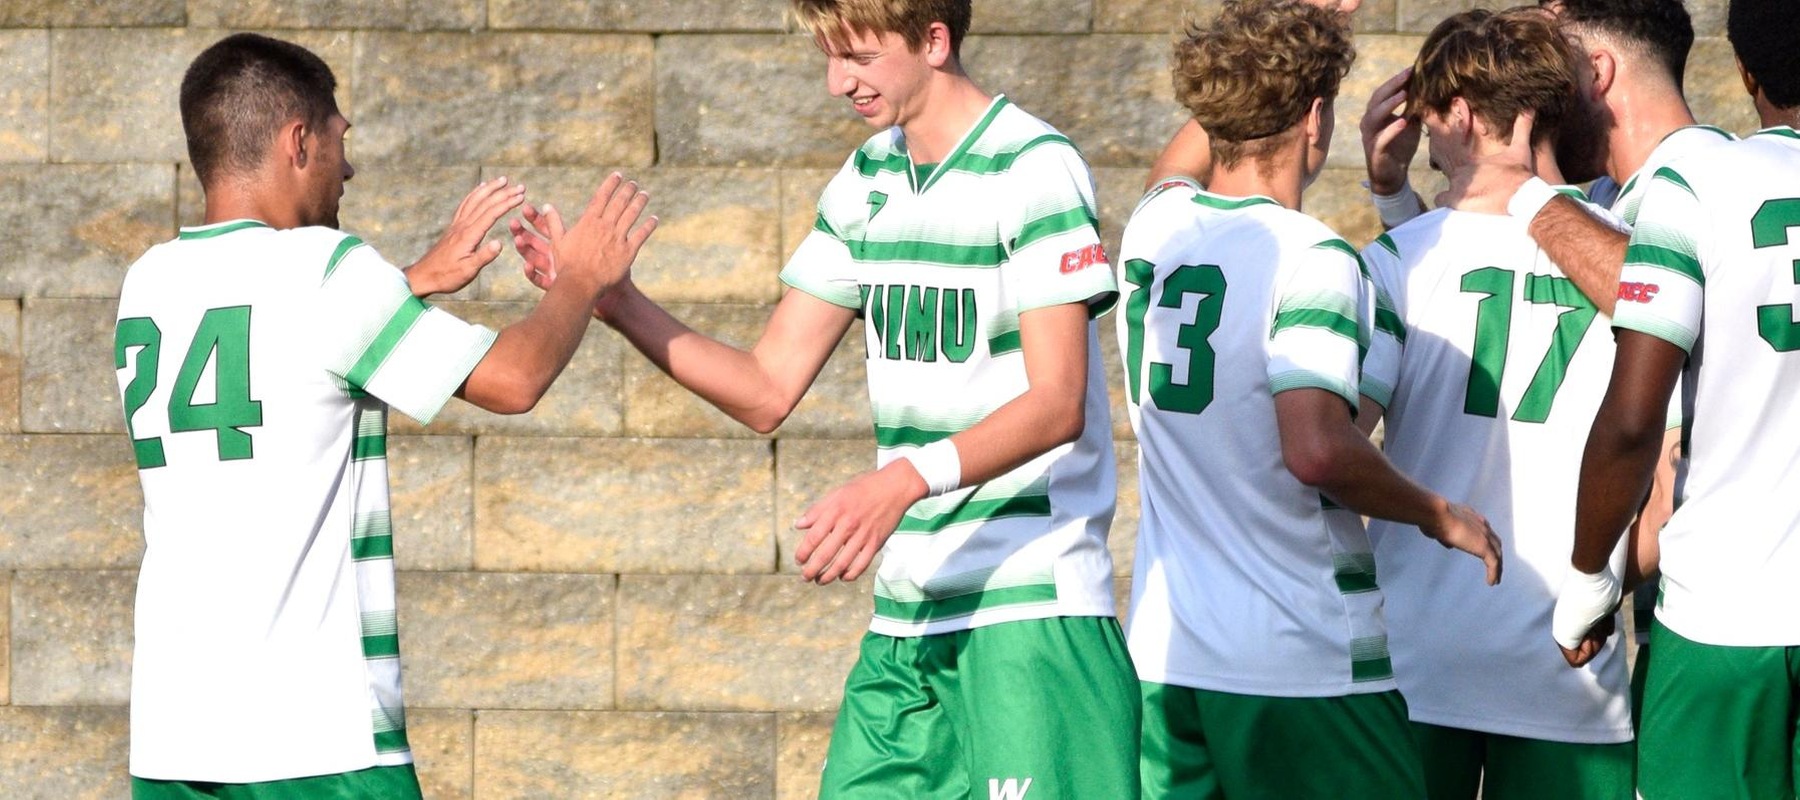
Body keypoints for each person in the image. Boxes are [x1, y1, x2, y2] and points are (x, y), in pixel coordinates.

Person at [514, 1, 1135, 796]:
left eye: (861, 58)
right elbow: (766, 389)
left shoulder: (1034, 168)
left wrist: (902, 482)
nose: (838, 81)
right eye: (830, 58)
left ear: (935, 41)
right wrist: (612, 301)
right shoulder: (868, 176)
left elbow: (1059, 403)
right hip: (906, 619)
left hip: (1030, 609)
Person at [113, 33, 656, 798]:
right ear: (298, 141)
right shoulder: (330, 268)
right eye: (340, 140)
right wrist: (584, 279)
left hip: (177, 737)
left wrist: (413, 281)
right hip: (315, 735)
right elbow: (514, 379)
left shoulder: (150, 281)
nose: (350, 167)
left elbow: (285, 344)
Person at [1116, 2, 1501, 797]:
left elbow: (1171, 171)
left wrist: (1280, 27)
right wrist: (1441, 514)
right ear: (1315, 117)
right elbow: (1318, 449)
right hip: (1301, 660)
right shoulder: (1313, 254)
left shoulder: (1155, 231)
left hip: (1168, 656)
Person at [1356, 10, 1633, 798]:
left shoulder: (1396, 260)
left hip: (1418, 655)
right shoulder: (1634, 252)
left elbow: (1338, 447)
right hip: (1570, 667)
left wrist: (1390, 198)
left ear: (1463, 116)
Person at [1553, 0, 1800, 796]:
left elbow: (1631, 422)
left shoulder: (1700, 182)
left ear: (1746, 72)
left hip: (1726, 620)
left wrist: (1591, 576)